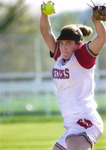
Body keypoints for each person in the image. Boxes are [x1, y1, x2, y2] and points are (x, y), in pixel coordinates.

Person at [40, 3, 106, 150]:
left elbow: (102, 37)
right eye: (62, 43)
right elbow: (46, 32)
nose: (64, 47)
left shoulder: (83, 57)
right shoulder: (59, 55)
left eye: (68, 43)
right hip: (71, 125)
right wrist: (44, 14)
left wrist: (96, 20)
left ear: (78, 44)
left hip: (85, 120)